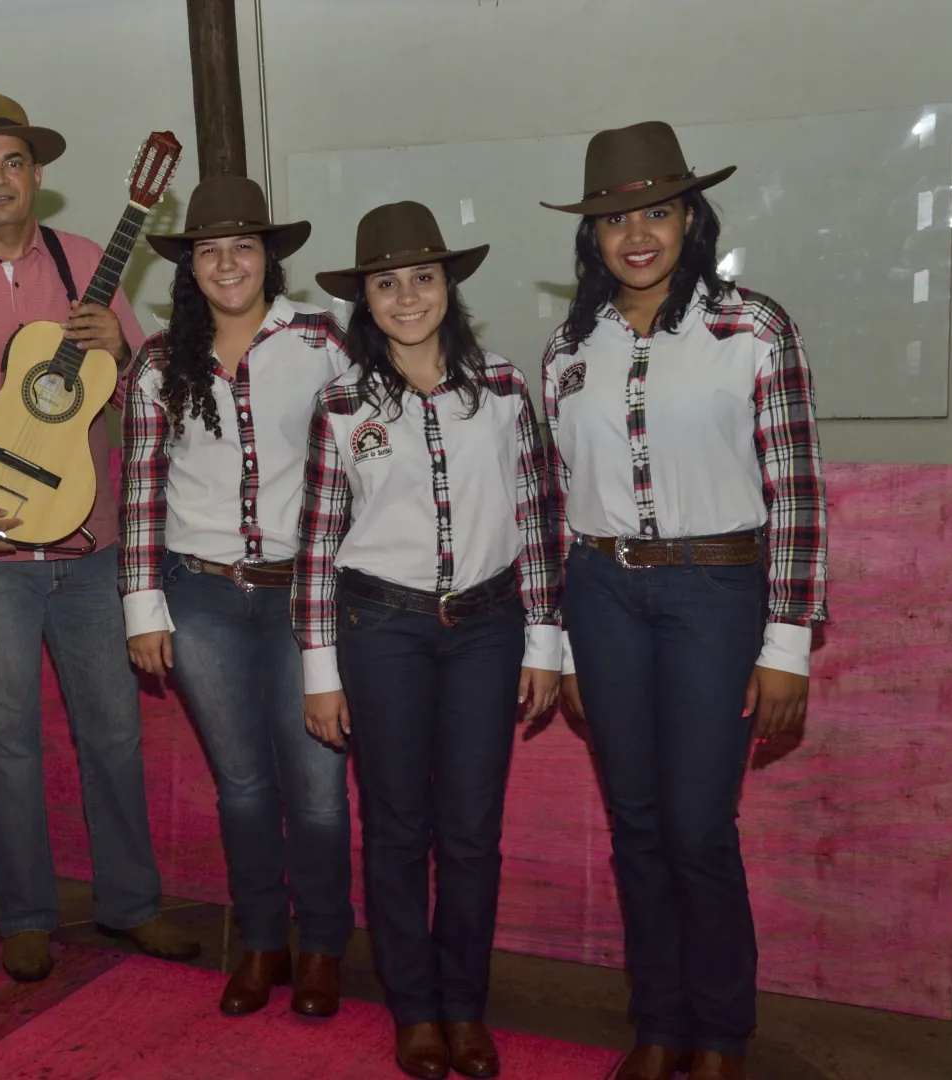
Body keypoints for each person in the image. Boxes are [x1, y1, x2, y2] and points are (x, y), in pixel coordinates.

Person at [0, 92, 200, 982]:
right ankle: (25, 913)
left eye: (12, 162)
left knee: (114, 734)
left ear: (38, 173)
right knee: (4, 740)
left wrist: (121, 353)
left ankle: (131, 903)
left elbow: (151, 397)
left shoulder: (86, 261)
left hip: (90, 547)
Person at [540, 122, 827, 1080]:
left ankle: (721, 1034)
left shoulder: (755, 328)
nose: (637, 235)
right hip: (602, 595)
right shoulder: (567, 347)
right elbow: (561, 502)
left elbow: (797, 492)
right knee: (635, 827)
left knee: (698, 828)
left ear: (691, 219)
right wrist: (565, 647)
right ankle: (658, 1024)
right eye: (614, 219)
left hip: (715, 593)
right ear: (591, 236)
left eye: (657, 212)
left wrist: (786, 645)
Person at [296, 202, 561, 1080]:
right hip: (381, 630)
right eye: (386, 283)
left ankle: (464, 1007)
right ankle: (414, 1009)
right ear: (364, 299)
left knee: (473, 832)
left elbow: (536, 519)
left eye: (422, 277)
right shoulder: (341, 403)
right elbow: (318, 543)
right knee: (398, 828)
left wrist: (543, 642)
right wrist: (321, 670)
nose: (406, 297)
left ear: (450, 285)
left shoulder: (507, 389)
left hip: (488, 629)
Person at [120, 176, 352, 1017]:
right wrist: (142, 606)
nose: (226, 264)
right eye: (209, 251)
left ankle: (322, 945)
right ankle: (262, 941)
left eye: (242, 247)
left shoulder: (323, 341)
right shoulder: (159, 362)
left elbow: (366, 457)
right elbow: (141, 489)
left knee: (318, 787)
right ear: (189, 266)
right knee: (244, 786)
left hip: (305, 602)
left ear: (269, 258)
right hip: (202, 598)